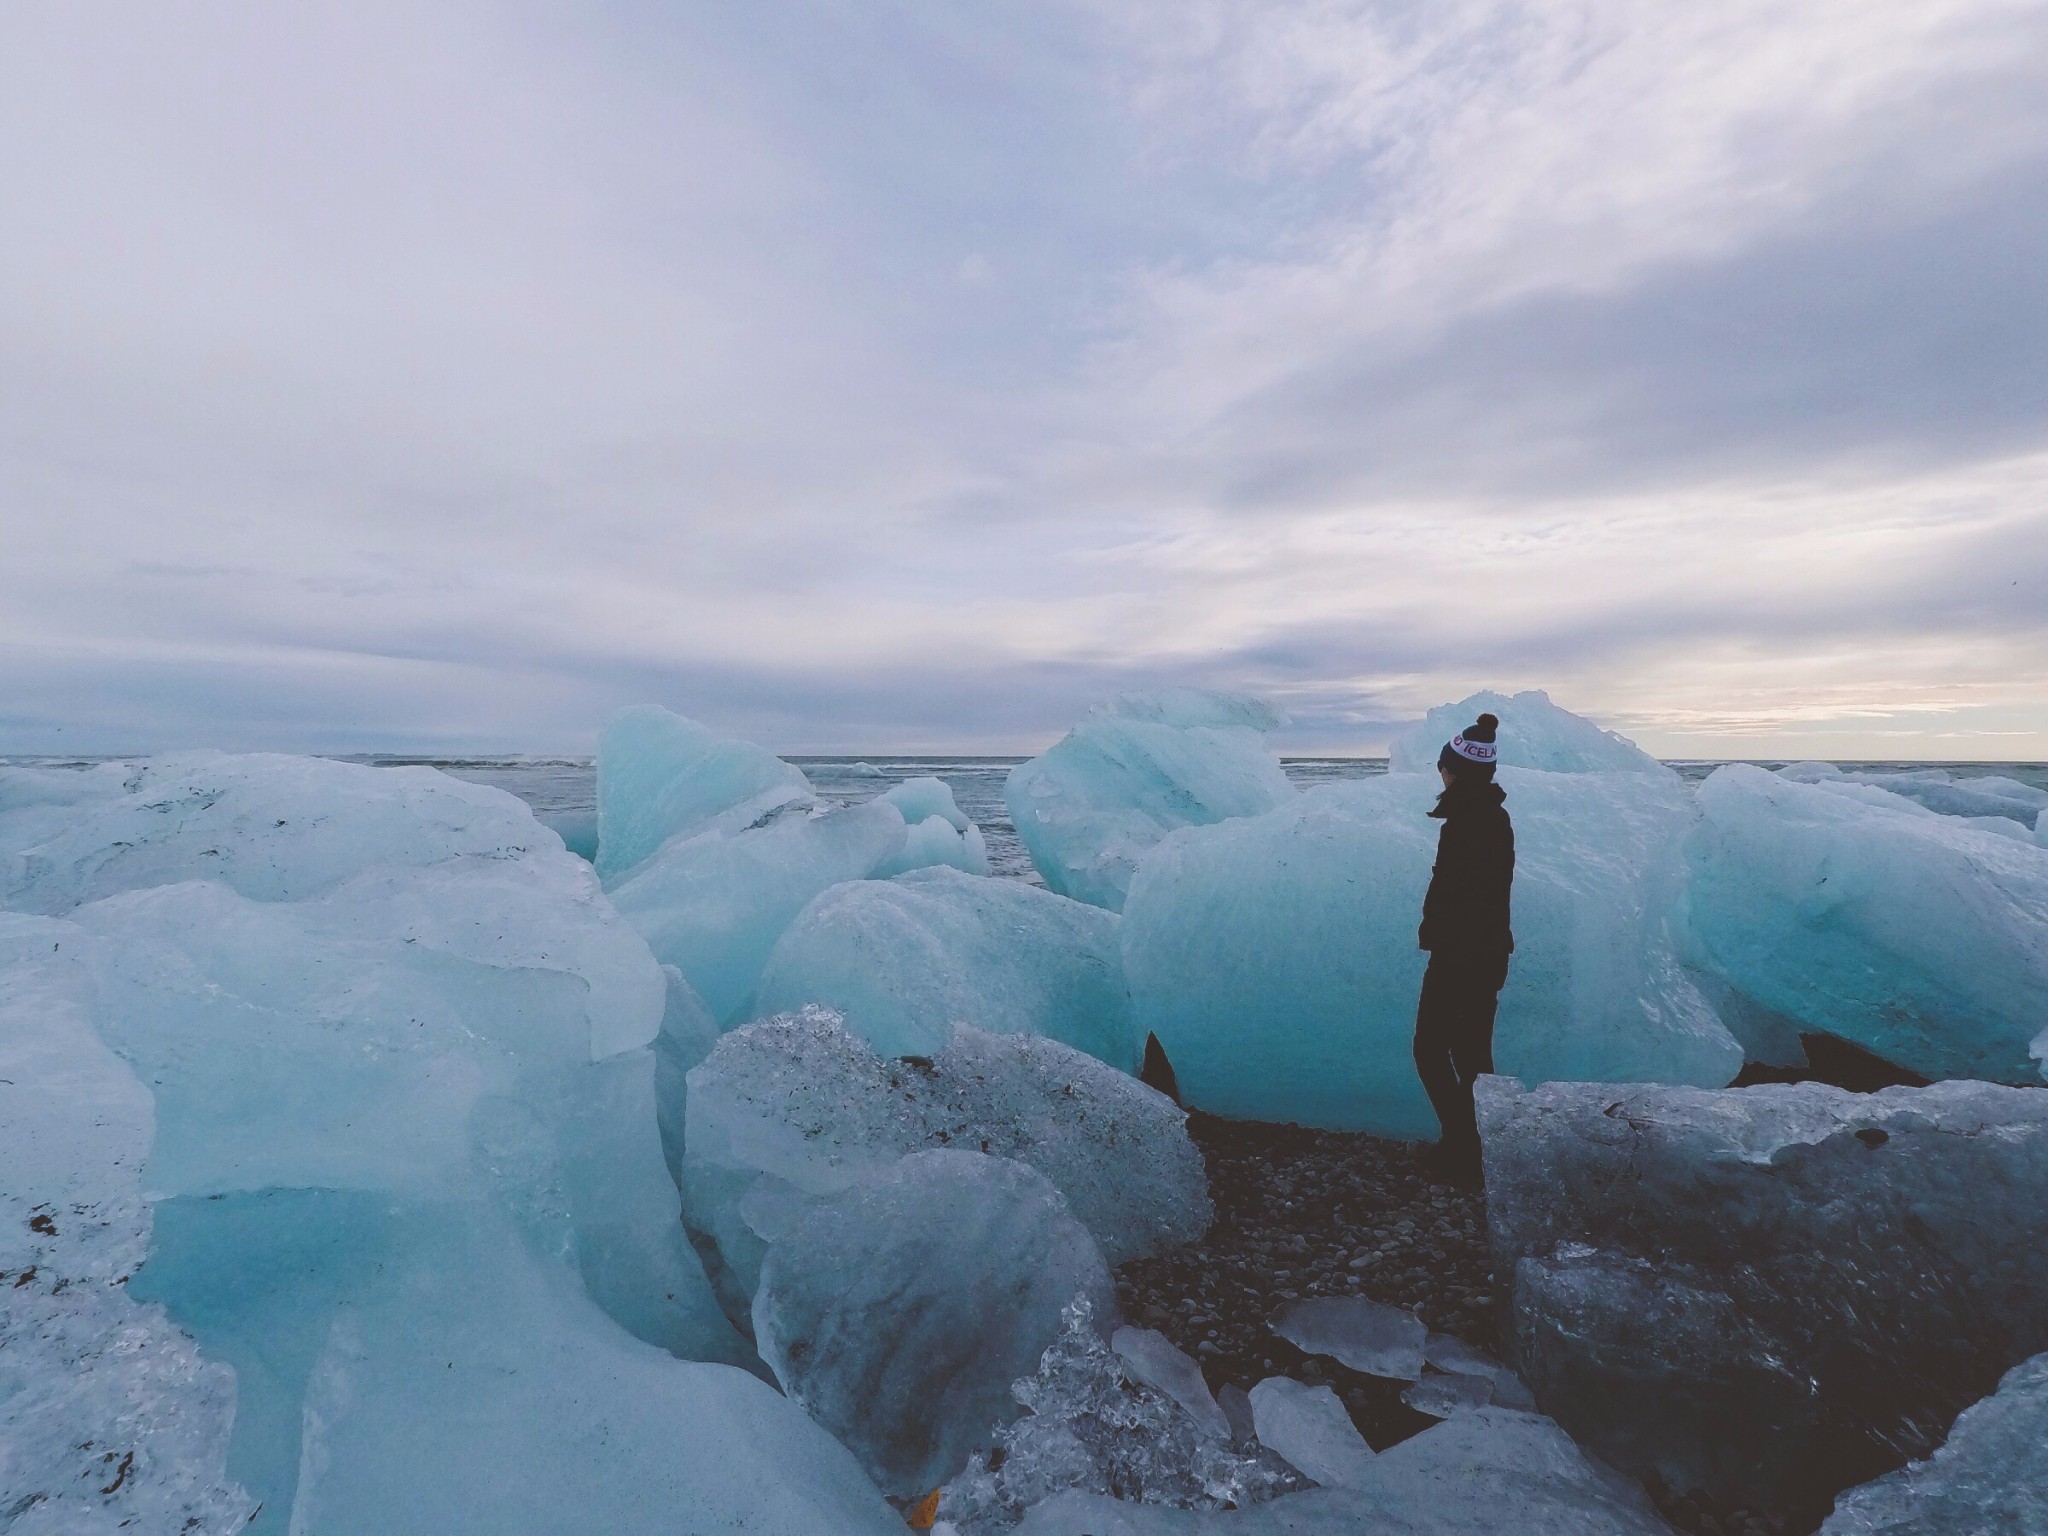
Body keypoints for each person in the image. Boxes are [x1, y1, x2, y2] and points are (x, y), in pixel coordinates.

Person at [1413, 712, 1514, 1180]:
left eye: (1443, 764)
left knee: (1432, 1049)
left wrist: (1446, 946)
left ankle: (1464, 1146)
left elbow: (1466, 896)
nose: (1441, 771)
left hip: (1463, 956)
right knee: (1469, 1053)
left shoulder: (1471, 822)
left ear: (1457, 770)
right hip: (1482, 953)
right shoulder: (1486, 817)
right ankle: (1477, 1146)